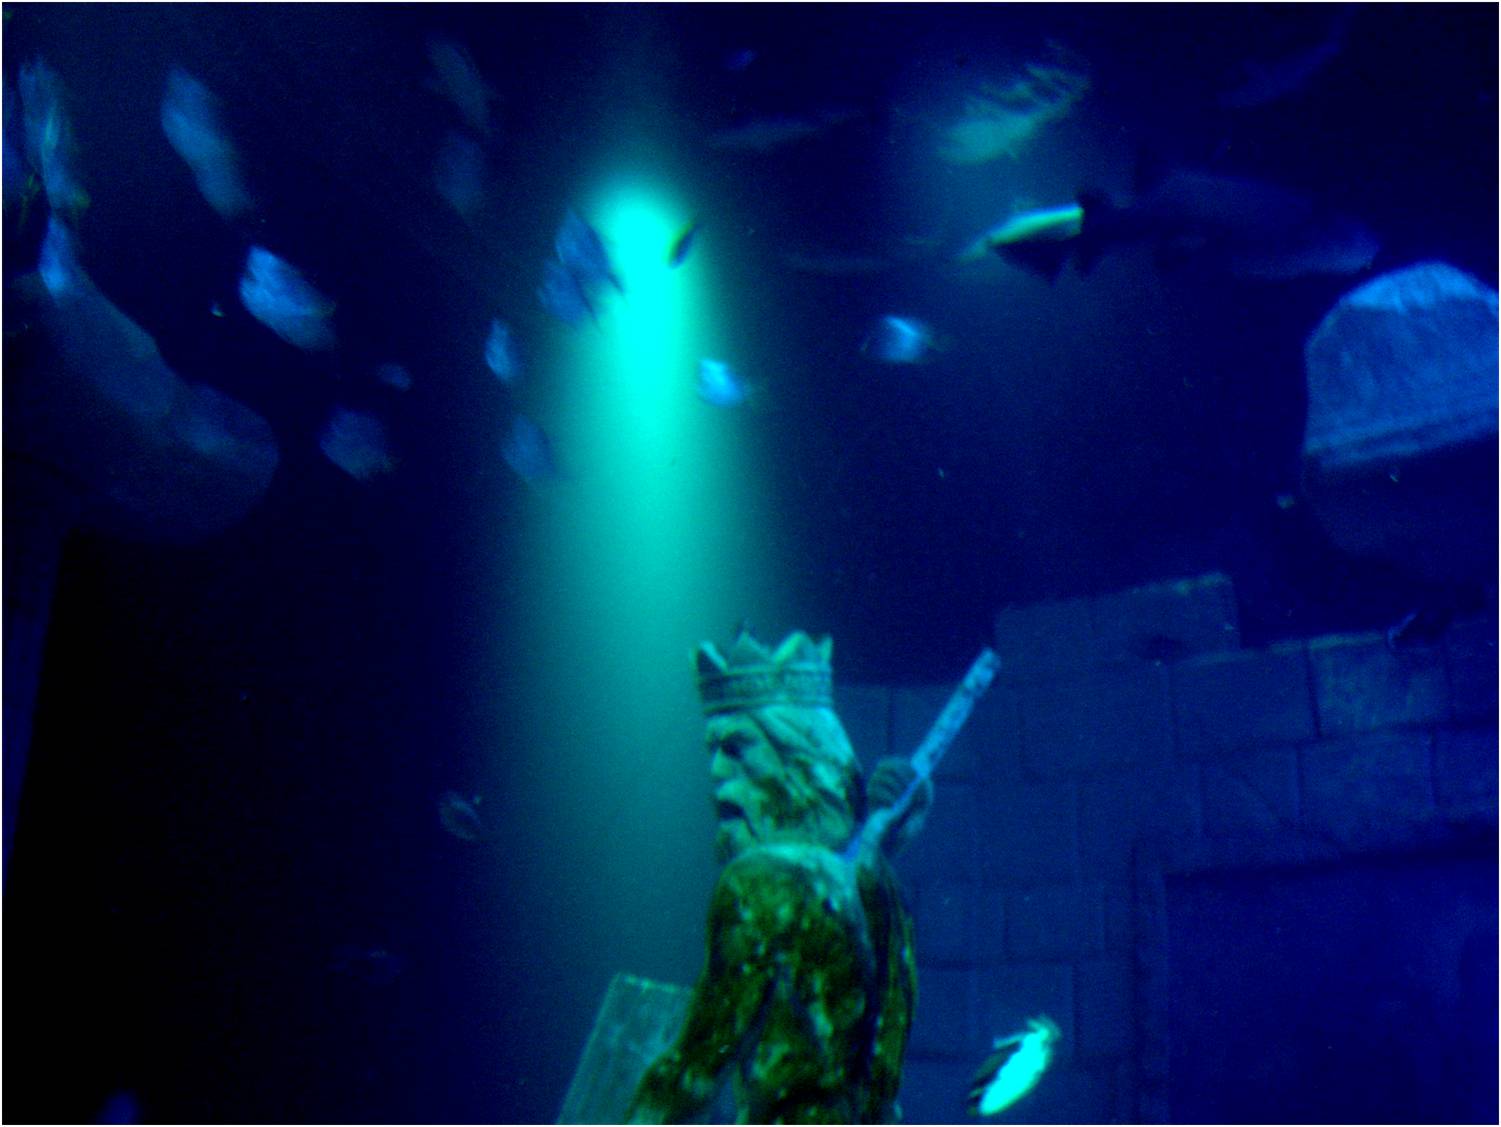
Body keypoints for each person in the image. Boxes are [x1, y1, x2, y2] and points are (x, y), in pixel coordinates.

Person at [626, 628, 931, 1124]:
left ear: (797, 753)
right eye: (712, 751)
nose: (717, 772)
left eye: (737, 747)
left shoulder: (760, 882)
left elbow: (695, 1070)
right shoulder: (882, 887)